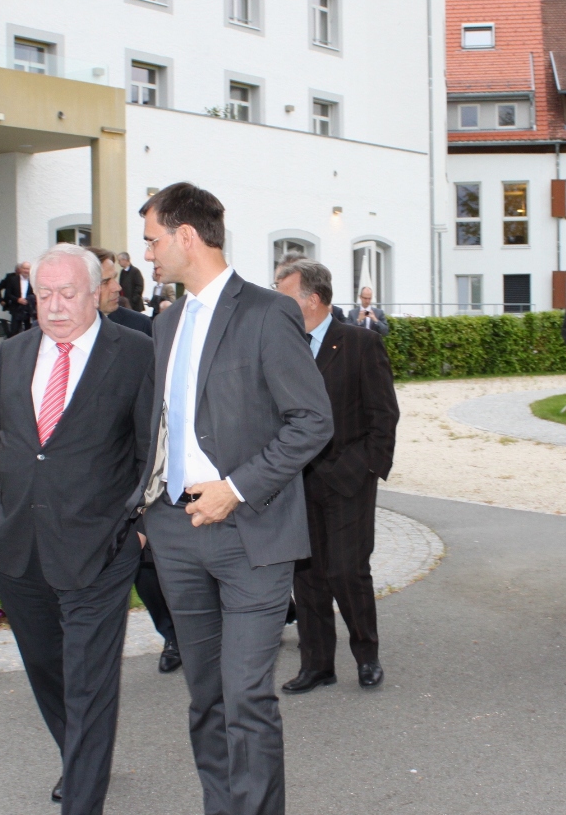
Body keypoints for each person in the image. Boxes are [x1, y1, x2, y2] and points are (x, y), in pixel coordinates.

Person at [134, 182, 333, 815]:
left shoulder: (267, 312)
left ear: (186, 236)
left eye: (153, 240)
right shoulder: (167, 322)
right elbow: (164, 425)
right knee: (207, 698)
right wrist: (145, 505)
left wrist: (236, 489)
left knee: (247, 697)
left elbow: (312, 421)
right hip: (175, 532)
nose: (147, 253)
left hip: (251, 532)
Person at [0, 244, 155, 812]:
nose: (53, 306)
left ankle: (83, 794)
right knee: (47, 669)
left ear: (96, 292)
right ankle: (79, 757)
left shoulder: (137, 353)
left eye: (67, 293)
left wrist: (140, 527)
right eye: (43, 294)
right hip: (16, 545)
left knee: (89, 681)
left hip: (100, 547)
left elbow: (152, 449)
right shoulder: (17, 351)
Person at [273, 257, 399, 695]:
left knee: (348, 572)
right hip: (295, 482)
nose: (276, 305)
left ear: (313, 299)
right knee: (307, 578)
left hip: (347, 480)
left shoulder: (360, 343)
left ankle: (367, 656)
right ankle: (317, 665)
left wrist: (366, 469)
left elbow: (384, 414)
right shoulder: (280, 346)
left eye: (284, 296)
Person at [88, 247, 176, 670]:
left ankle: (175, 636)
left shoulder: (140, 331)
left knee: (150, 566)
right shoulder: (49, 341)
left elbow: (157, 414)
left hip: (135, 482)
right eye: (108, 280)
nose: (117, 288)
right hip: (86, 491)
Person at [92, 248, 153, 337]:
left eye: (114, 278)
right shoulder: (70, 330)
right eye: (105, 282)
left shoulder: (139, 326)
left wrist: (133, 300)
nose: (118, 287)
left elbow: (139, 286)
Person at [0, 261, 36, 334]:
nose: (26, 271)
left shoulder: (32, 281)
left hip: (27, 309)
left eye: (28, 269)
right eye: (24, 268)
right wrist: (17, 299)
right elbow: (8, 294)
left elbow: (34, 294)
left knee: (28, 331)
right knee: (14, 331)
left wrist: (29, 300)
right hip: (16, 309)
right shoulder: (13, 280)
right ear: (20, 269)